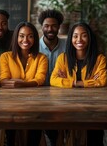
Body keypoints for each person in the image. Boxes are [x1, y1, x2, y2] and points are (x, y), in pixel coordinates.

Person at [50, 22, 107, 146]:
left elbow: (102, 81)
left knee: (95, 129)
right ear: (71, 39)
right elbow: (53, 79)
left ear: (89, 38)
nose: (79, 40)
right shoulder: (63, 58)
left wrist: (68, 82)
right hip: (67, 104)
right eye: (75, 36)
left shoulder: (99, 59)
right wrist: (80, 82)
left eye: (83, 36)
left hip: (92, 105)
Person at [0, 22, 48, 146]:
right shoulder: (5, 57)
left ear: (35, 39)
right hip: (10, 103)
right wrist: (27, 83)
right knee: (10, 124)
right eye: (21, 36)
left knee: (36, 121)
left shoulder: (42, 58)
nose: (25, 40)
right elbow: (3, 80)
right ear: (16, 38)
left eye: (30, 36)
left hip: (35, 103)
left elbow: (40, 80)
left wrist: (20, 84)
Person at [38, 9, 66, 146]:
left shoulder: (67, 46)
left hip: (63, 94)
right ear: (41, 27)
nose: (50, 29)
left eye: (54, 26)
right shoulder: (32, 46)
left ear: (59, 27)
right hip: (37, 94)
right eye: (46, 26)